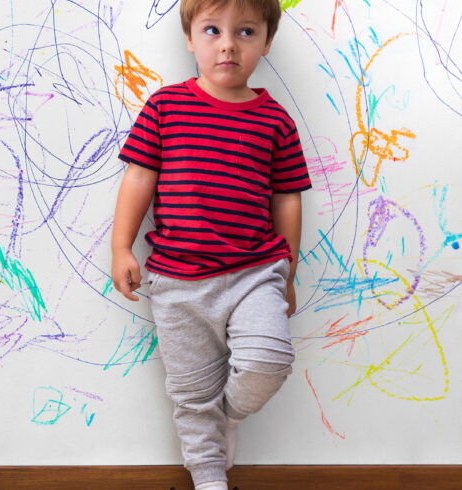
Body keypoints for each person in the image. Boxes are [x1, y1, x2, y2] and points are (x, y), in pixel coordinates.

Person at [110, 0, 311, 489]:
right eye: (212, 30)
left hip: (254, 272)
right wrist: (121, 247)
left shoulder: (276, 121)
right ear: (189, 38)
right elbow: (139, 177)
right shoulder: (165, 106)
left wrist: (289, 272)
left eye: (245, 32)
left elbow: (287, 199)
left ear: (266, 42)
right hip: (176, 281)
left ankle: (226, 414)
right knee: (189, 394)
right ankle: (209, 478)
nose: (227, 44)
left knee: (269, 360)